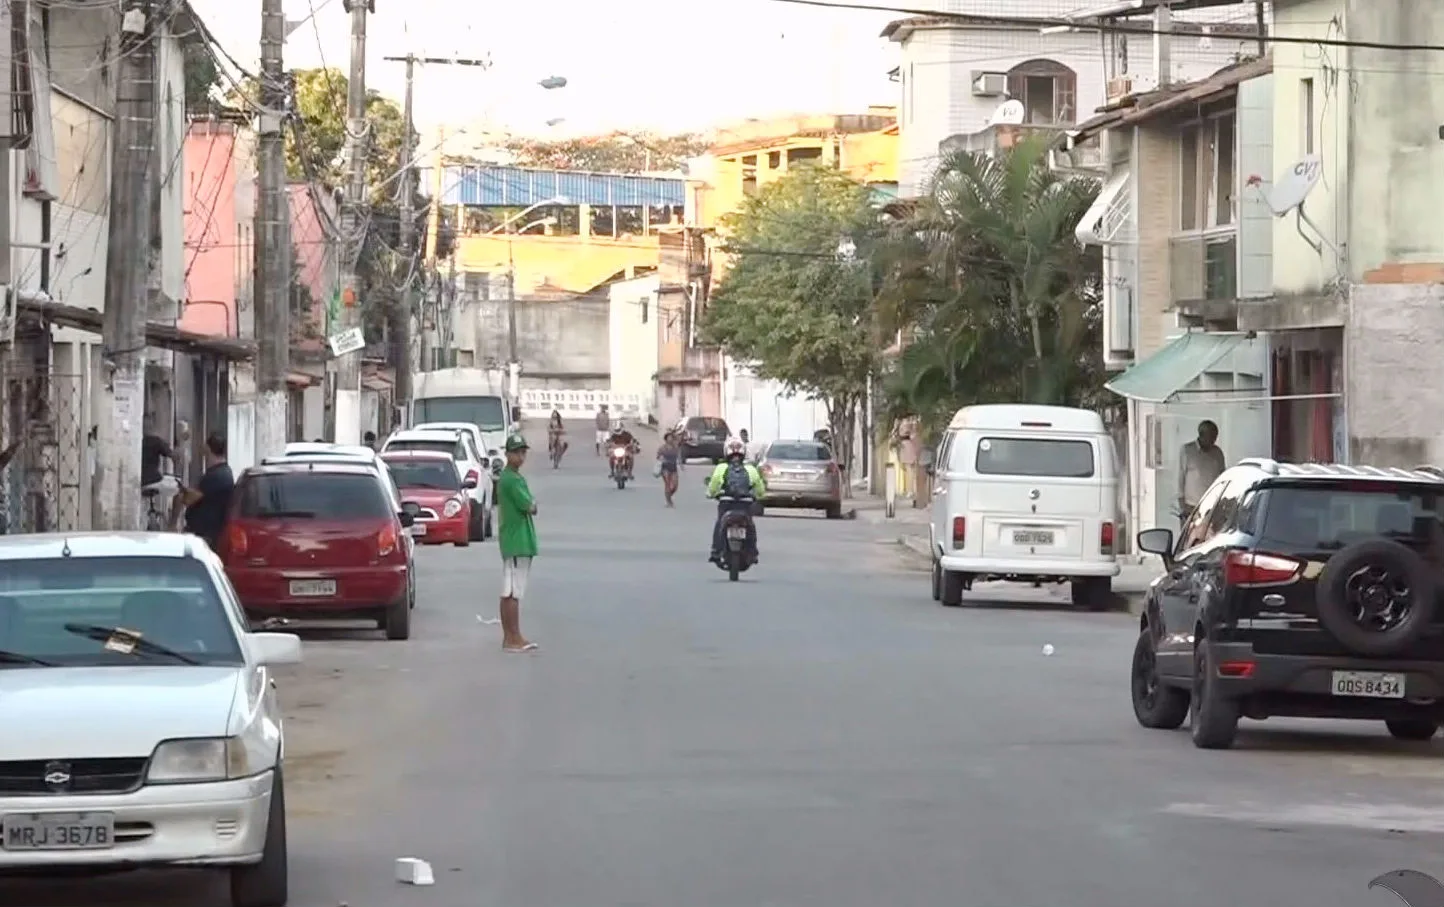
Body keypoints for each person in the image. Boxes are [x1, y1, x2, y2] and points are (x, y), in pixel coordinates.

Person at [496, 433, 538, 653]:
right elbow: (530, 505)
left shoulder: (509, 478)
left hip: (514, 540)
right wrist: (533, 503)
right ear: (508, 454)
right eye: (517, 452)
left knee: (509, 591)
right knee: (513, 592)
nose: (521, 456)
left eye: (523, 452)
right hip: (517, 541)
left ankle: (510, 637)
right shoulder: (512, 479)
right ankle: (514, 637)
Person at [705, 437, 766, 564]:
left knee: (720, 524)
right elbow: (760, 489)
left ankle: (716, 550)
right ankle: (752, 551)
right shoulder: (751, 470)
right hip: (745, 505)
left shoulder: (721, 468)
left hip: (726, 504)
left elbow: (713, 486)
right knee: (750, 526)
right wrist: (759, 496)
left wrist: (710, 494)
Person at [181, 434, 234, 550]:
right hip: (210, 530)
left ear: (208, 449)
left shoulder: (215, 475)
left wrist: (184, 494)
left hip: (206, 532)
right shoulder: (224, 471)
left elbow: (190, 499)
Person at [1178, 419, 1226, 524]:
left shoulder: (1217, 453)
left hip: (1212, 507)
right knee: (1190, 538)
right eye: (1212, 436)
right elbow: (1180, 478)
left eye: (1216, 436)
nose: (1214, 439)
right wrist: (1182, 506)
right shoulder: (1187, 451)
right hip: (1191, 506)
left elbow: (1223, 478)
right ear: (1202, 434)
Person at [657, 430, 681, 506]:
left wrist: (681, 465)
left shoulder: (675, 447)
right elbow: (658, 456)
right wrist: (661, 459)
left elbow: (679, 456)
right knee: (667, 484)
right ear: (666, 439)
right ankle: (668, 501)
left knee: (675, 486)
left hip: (673, 467)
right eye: (669, 438)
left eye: (671, 438)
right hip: (665, 468)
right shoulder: (662, 448)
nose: (670, 439)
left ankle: (669, 496)